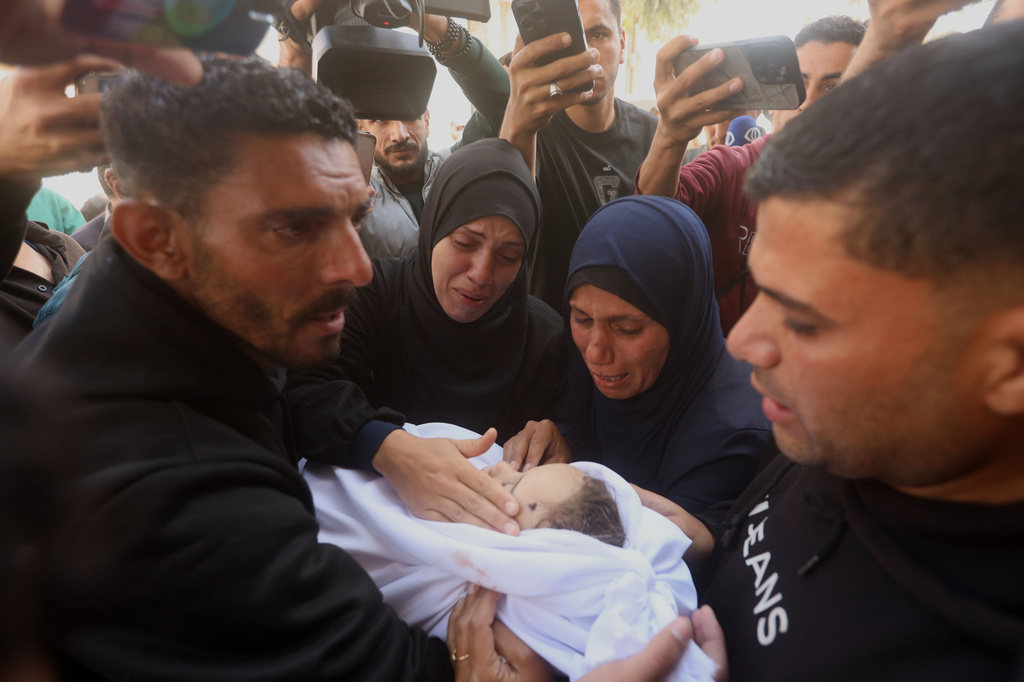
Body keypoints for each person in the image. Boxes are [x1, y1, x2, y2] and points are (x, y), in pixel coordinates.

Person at [8, 57, 544, 681]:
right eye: (294, 229)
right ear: (155, 238)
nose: (358, 267)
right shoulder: (184, 502)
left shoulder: (164, 308)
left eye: (356, 218)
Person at [662, 19, 1024, 681]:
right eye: (759, 289)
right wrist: (704, 535)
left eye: (804, 322)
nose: (743, 343)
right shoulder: (849, 425)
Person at [306, 422, 719, 682]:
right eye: (521, 473)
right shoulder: (478, 462)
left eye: (508, 491)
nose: (499, 468)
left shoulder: (488, 592)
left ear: (519, 557)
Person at [505, 195, 769, 514]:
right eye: (581, 318)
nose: (596, 351)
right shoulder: (588, 359)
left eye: (628, 328)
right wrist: (561, 441)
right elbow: (574, 415)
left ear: (683, 320)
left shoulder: (732, 434)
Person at [291, 138, 566, 442]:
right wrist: (386, 447)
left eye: (508, 257)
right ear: (434, 226)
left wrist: (559, 438)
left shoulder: (544, 339)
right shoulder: (373, 295)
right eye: (465, 243)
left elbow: (573, 435)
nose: (480, 274)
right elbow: (308, 392)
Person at [635, 17, 863, 333]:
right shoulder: (734, 167)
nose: (808, 103)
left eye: (833, 88)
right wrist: (670, 136)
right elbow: (646, 219)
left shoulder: (883, 198)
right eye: (799, 81)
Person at [500, 0, 659, 310]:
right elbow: (506, 216)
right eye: (573, 38)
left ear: (622, 43)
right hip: (549, 336)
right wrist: (517, 122)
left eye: (598, 34)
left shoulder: (655, 134)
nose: (587, 53)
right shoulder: (533, 128)